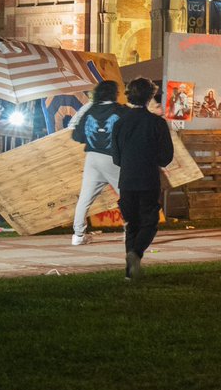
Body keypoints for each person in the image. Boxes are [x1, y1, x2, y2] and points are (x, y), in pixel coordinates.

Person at [112, 77, 175, 280]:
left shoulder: (120, 123)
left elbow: (116, 157)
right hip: (148, 178)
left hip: (127, 179)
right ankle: (136, 253)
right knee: (150, 221)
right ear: (150, 97)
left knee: (132, 224)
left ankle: (130, 273)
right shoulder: (157, 123)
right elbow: (166, 156)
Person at [68, 81, 128, 245]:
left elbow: (77, 136)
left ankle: (78, 235)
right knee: (127, 194)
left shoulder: (90, 110)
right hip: (113, 158)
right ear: (114, 93)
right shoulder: (121, 111)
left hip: (92, 158)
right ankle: (131, 232)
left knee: (85, 198)